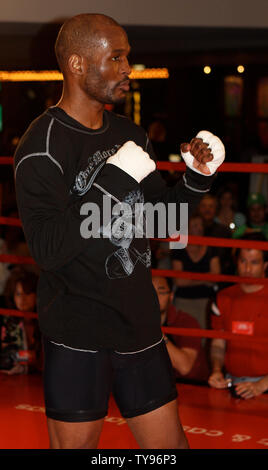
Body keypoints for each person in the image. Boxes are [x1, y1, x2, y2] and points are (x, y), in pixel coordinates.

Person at [14, 13, 224, 449]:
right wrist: (110, 185)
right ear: (77, 65)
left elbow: (161, 222)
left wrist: (196, 179)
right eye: (117, 57)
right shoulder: (42, 146)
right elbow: (48, 250)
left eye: (128, 57)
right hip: (77, 332)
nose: (129, 67)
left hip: (140, 327)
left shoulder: (130, 135)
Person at [208, 234, 268, 399]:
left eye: (254, 262)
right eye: (243, 261)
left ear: (265, 265)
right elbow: (218, 343)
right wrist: (216, 370)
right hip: (231, 383)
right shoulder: (223, 297)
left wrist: (261, 385)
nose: (247, 268)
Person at [152, 275, 209, 383]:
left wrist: (152, 329)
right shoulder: (134, 322)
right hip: (156, 385)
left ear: (171, 296)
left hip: (191, 385)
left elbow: (185, 368)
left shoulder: (187, 322)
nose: (154, 297)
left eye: (161, 292)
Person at [171, 214, 221, 329]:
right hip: (183, 301)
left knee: (204, 338)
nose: (199, 228)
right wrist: (205, 279)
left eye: (200, 225)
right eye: (194, 225)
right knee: (182, 337)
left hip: (206, 301)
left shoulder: (211, 246)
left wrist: (189, 279)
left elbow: (216, 277)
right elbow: (178, 281)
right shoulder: (178, 246)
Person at [0, 268, 41, 374]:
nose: (22, 299)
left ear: (36, 295)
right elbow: (5, 357)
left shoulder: (43, 321)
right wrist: (28, 356)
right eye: (18, 294)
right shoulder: (9, 322)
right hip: (15, 381)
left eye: (27, 293)